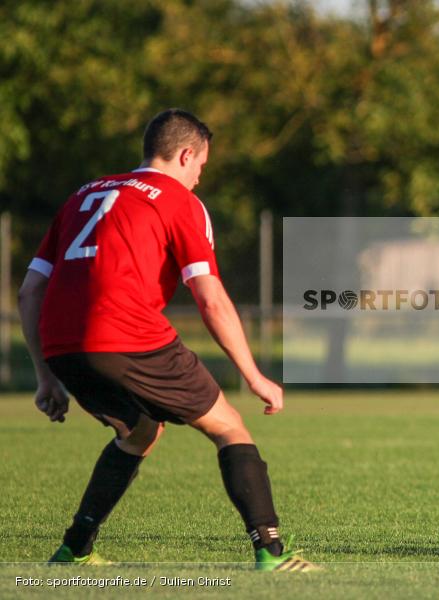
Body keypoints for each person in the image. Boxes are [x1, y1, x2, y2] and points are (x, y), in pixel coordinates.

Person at [17, 109, 317, 572]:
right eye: (200, 166)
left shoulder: (83, 195)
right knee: (229, 427)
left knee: (139, 432)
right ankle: (272, 553)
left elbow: (30, 290)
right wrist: (254, 375)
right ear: (184, 154)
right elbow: (209, 296)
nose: (199, 178)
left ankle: (75, 547)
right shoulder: (178, 200)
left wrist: (45, 376)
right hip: (127, 335)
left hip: (63, 344)